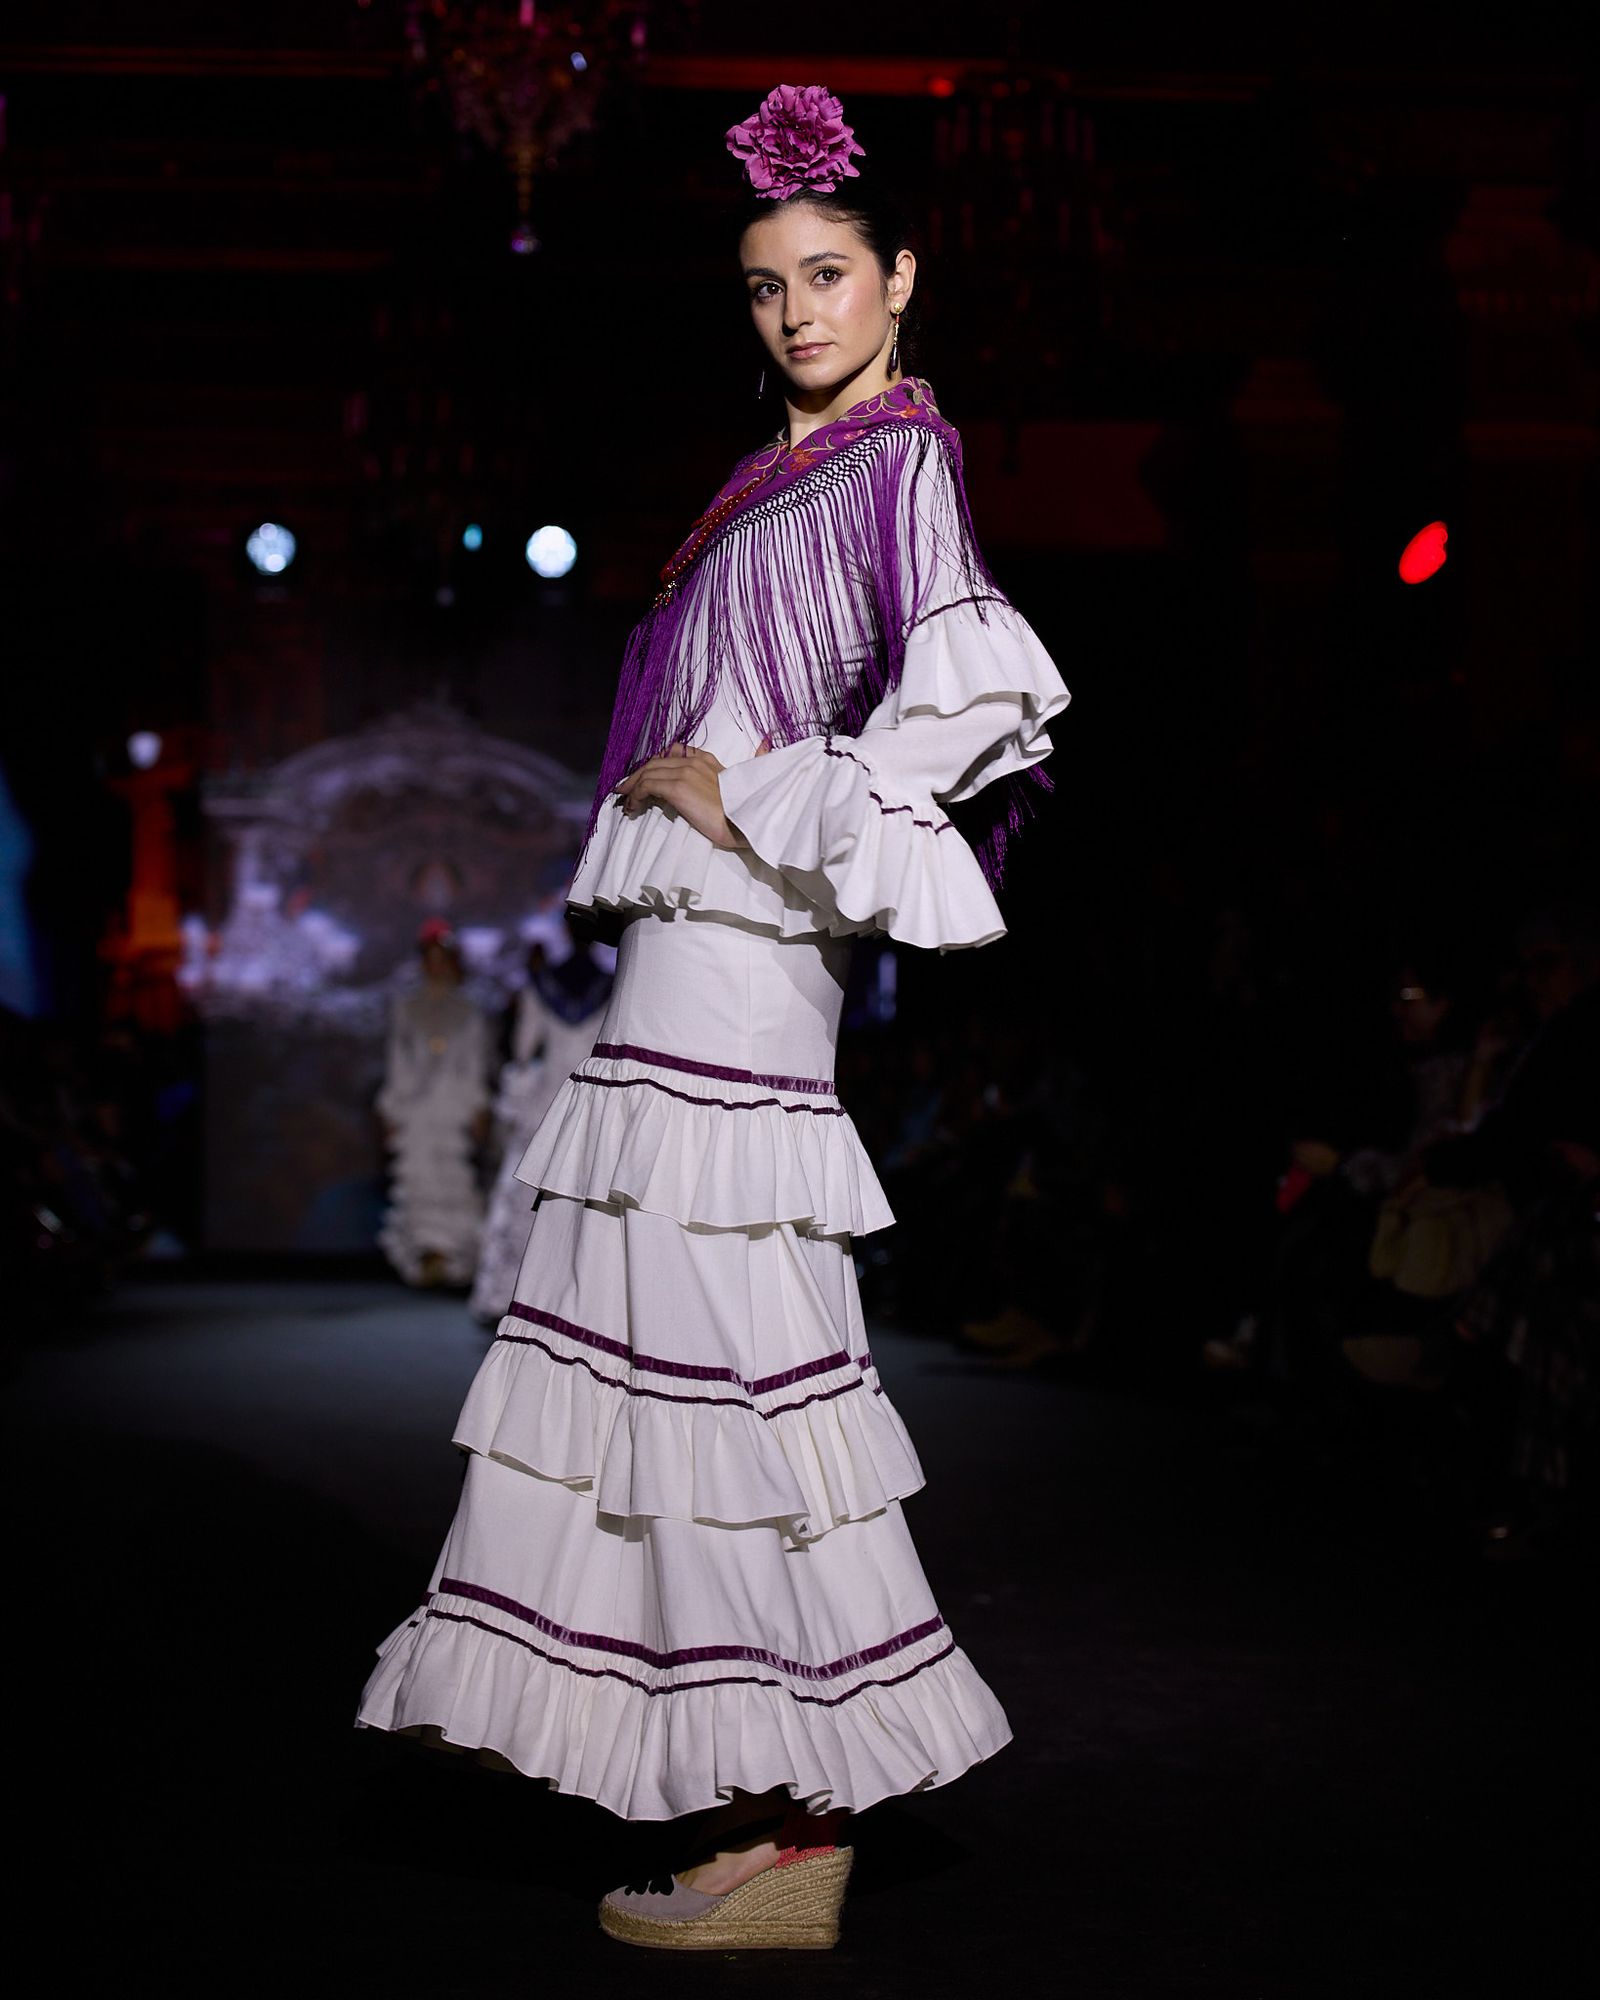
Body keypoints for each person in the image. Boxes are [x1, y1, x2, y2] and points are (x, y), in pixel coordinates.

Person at [356, 83, 1071, 1952]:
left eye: (830, 273)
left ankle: (800, 1814)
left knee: (725, 1362)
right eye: (766, 286)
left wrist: (747, 797)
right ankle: (766, 1811)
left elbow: (964, 704)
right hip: (703, 958)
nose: (798, 312)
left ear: (901, 278)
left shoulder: (904, 461)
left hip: (753, 944)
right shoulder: (778, 477)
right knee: (687, 1363)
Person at [469, 928, 614, 1327]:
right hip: (592, 1100)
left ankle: (515, 1294)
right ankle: (578, 1299)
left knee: (527, 1197)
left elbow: (522, 1049)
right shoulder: (612, 984)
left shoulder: (541, 984)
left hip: (546, 1100)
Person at [375, 918, 492, 1288]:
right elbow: (398, 1059)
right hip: (416, 1106)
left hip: (454, 1104)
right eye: (430, 957)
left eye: (442, 957)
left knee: (452, 1180)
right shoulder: (406, 1007)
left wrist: (477, 1107)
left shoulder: (470, 1009)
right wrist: (392, 1108)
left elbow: (475, 1061)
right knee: (418, 1179)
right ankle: (425, 1253)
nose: (436, 964)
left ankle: (452, 1257)